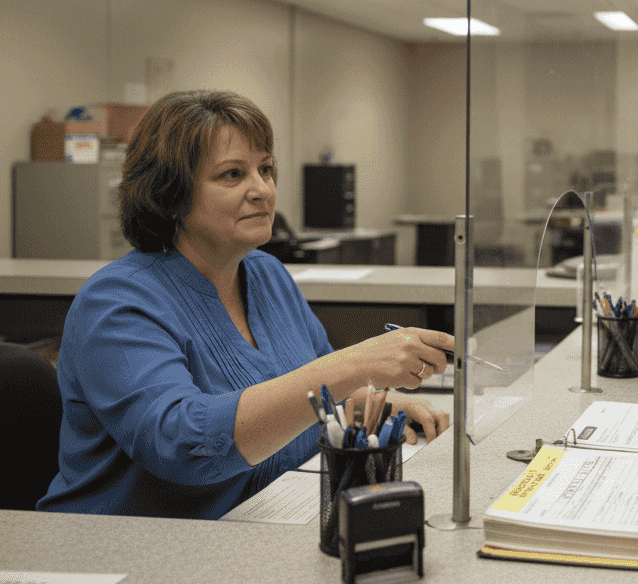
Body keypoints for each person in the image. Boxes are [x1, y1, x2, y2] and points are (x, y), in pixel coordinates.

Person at [39, 90, 453, 519]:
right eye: (233, 174)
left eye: (266, 169)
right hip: (125, 548)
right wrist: (356, 366)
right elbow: (180, 446)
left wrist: (376, 405)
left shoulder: (266, 274)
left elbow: (314, 401)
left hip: (254, 521)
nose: (262, 190)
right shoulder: (117, 303)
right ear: (171, 193)